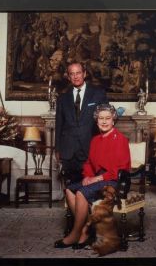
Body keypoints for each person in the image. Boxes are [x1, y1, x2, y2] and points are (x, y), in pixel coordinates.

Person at [54, 104, 131, 249]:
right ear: (96, 121)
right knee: (70, 190)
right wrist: (87, 177)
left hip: (114, 181)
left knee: (82, 193)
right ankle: (86, 229)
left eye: (107, 118)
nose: (104, 121)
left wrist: (96, 179)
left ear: (113, 120)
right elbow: (89, 163)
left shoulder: (120, 139)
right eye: (101, 118)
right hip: (97, 179)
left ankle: (78, 233)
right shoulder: (95, 140)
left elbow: (119, 169)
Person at [54, 61, 108, 183]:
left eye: (78, 73)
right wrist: (57, 149)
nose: (75, 76)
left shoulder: (98, 93)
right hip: (68, 152)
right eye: (72, 74)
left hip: (90, 148)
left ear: (84, 74)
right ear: (68, 77)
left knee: (89, 188)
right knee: (70, 188)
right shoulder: (62, 98)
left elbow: (106, 120)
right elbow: (59, 125)